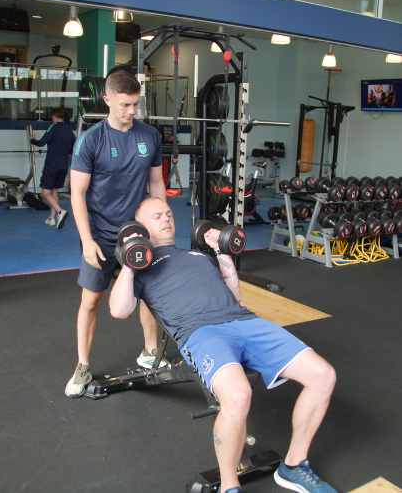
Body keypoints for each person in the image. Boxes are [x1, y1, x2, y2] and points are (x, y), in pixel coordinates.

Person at [109, 198, 338, 493]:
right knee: (239, 396)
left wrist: (220, 252)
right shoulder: (141, 266)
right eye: (157, 216)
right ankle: (229, 487)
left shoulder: (196, 253)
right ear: (140, 227)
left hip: (245, 322)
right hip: (202, 333)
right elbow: (119, 309)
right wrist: (132, 255)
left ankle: (293, 466)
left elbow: (235, 295)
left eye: (168, 213)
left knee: (324, 376)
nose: (167, 218)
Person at [65, 69, 167, 398]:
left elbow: (155, 184)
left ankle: (150, 353)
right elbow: (76, 194)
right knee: (91, 301)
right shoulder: (91, 140)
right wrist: (87, 240)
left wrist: (160, 226)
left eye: (136, 104)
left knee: (150, 295)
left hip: (137, 233)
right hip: (102, 235)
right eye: (125, 105)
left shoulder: (149, 136)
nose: (132, 111)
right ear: (107, 100)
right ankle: (82, 367)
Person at [29, 107, 76, 229]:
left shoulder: (53, 127)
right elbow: (73, 149)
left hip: (52, 165)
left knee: (45, 192)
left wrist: (32, 139)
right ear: (64, 117)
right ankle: (51, 218)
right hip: (63, 166)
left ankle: (60, 211)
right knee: (54, 191)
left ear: (54, 116)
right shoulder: (69, 131)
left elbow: (41, 143)